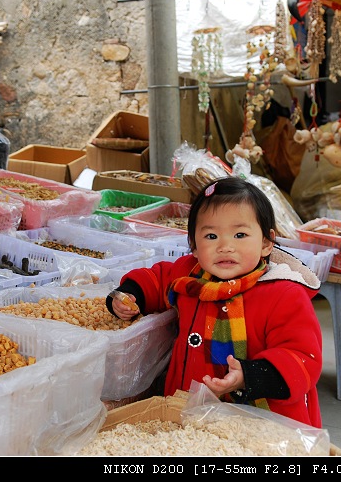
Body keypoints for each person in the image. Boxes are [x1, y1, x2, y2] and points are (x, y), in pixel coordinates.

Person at [107, 176, 323, 428]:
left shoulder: (283, 294)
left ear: (266, 243)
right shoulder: (190, 275)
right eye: (211, 236)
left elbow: (302, 356)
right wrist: (130, 295)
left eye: (240, 234)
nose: (225, 246)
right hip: (188, 409)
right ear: (194, 246)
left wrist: (250, 375)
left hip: (259, 421)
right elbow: (157, 279)